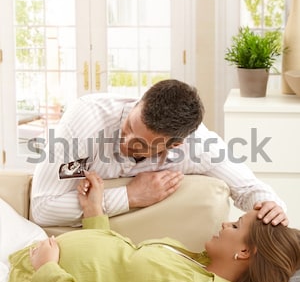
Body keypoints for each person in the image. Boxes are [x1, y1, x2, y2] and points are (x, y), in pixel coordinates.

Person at [1, 172, 299, 282]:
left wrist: (50, 271)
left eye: (235, 225)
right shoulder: (196, 261)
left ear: (244, 252)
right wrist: (94, 211)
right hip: (31, 249)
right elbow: (120, 263)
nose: (225, 224)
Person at [31, 79, 288, 228]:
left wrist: (273, 206)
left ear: (174, 145)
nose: (126, 140)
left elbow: (249, 189)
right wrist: (130, 196)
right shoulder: (85, 119)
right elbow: (42, 208)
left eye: (141, 143)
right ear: (139, 102)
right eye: (129, 126)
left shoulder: (197, 146)